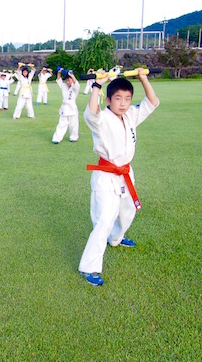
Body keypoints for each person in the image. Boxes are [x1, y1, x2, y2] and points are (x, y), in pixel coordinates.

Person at [78, 68, 159, 286]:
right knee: (104, 219)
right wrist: (97, 84)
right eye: (118, 99)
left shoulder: (130, 115)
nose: (123, 103)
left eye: (127, 99)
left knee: (127, 211)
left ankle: (116, 238)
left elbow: (152, 102)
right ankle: (89, 267)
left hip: (126, 173)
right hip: (106, 175)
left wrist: (143, 78)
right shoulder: (101, 118)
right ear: (109, 99)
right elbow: (90, 113)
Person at [52, 68, 80, 143]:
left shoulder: (75, 88)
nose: (67, 82)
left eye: (69, 80)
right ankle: (56, 138)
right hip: (64, 108)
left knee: (73, 124)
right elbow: (58, 80)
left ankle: (73, 137)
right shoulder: (64, 86)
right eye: (66, 80)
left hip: (72, 108)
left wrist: (72, 75)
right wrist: (59, 72)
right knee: (62, 124)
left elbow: (76, 83)